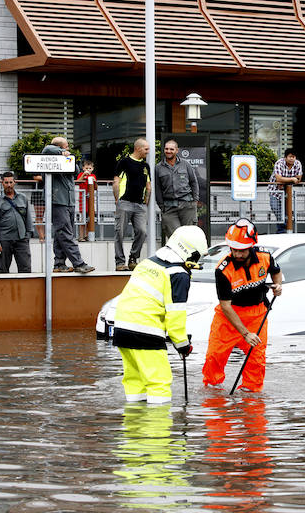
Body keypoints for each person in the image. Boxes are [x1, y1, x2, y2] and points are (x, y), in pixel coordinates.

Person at [112, 225, 208, 404]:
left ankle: (134, 426)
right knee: (159, 383)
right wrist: (183, 345)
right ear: (190, 252)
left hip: (121, 328)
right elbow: (175, 318)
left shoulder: (148, 263)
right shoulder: (178, 274)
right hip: (145, 332)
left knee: (134, 381)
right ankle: (157, 428)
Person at [202, 219, 283, 393]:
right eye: (233, 249)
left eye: (241, 250)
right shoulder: (223, 270)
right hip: (228, 316)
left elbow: (276, 273)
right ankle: (213, 393)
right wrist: (245, 333)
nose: (237, 254)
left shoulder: (265, 257)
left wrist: (278, 286)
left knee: (256, 359)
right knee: (214, 356)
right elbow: (225, 306)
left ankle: (251, 398)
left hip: (257, 314)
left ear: (252, 246)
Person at [42, 137, 94, 273]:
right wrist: (60, 152)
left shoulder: (66, 159)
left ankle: (59, 263)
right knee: (65, 233)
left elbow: (76, 171)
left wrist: (67, 156)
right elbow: (47, 148)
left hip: (69, 201)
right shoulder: (50, 155)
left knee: (62, 234)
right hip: (57, 200)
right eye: (66, 147)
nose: (68, 149)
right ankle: (79, 263)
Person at [114, 138, 151, 271]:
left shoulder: (145, 166)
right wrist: (117, 200)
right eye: (146, 149)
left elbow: (148, 185)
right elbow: (116, 182)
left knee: (142, 231)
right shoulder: (124, 162)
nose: (148, 151)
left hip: (140, 205)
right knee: (120, 233)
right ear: (138, 148)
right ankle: (119, 262)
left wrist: (146, 201)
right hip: (124, 203)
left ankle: (133, 258)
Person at [0, 171, 35, 273]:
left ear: (14, 182)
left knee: (26, 269)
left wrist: (28, 235)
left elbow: (28, 218)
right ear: (2, 183)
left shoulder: (22, 198)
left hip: (21, 239)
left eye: (11, 182)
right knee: (3, 270)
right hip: (4, 241)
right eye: (6, 182)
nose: (9, 185)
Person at [155, 139, 199, 240]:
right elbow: (158, 189)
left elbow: (194, 182)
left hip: (187, 205)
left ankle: (190, 256)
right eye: (166, 149)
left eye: (171, 149)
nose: (168, 151)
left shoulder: (185, 164)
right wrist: (162, 206)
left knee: (189, 236)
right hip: (169, 208)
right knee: (175, 238)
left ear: (177, 150)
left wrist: (195, 200)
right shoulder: (158, 167)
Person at [267, 149, 302, 233]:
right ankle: (282, 230)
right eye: (290, 157)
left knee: (287, 211)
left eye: (293, 157)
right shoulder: (279, 163)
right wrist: (291, 179)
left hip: (287, 192)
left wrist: (285, 180)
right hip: (275, 190)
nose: (291, 159)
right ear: (285, 157)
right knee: (276, 208)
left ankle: (284, 230)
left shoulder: (298, 164)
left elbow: (298, 179)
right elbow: (278, 178)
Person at [75, 160, 97, 241]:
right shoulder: (81, 174)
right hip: (82, 201)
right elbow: (77, 182)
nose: (88, 169)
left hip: (90, 201)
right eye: (86, 168)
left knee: (89, 219)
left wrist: (95, 182)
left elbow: (96, 187)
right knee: (82, 219)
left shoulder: (93, 176)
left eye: (90, 168)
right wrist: (84, 175)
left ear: (93, 169)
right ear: (83, 168)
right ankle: (81, 236)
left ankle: (87, 235)